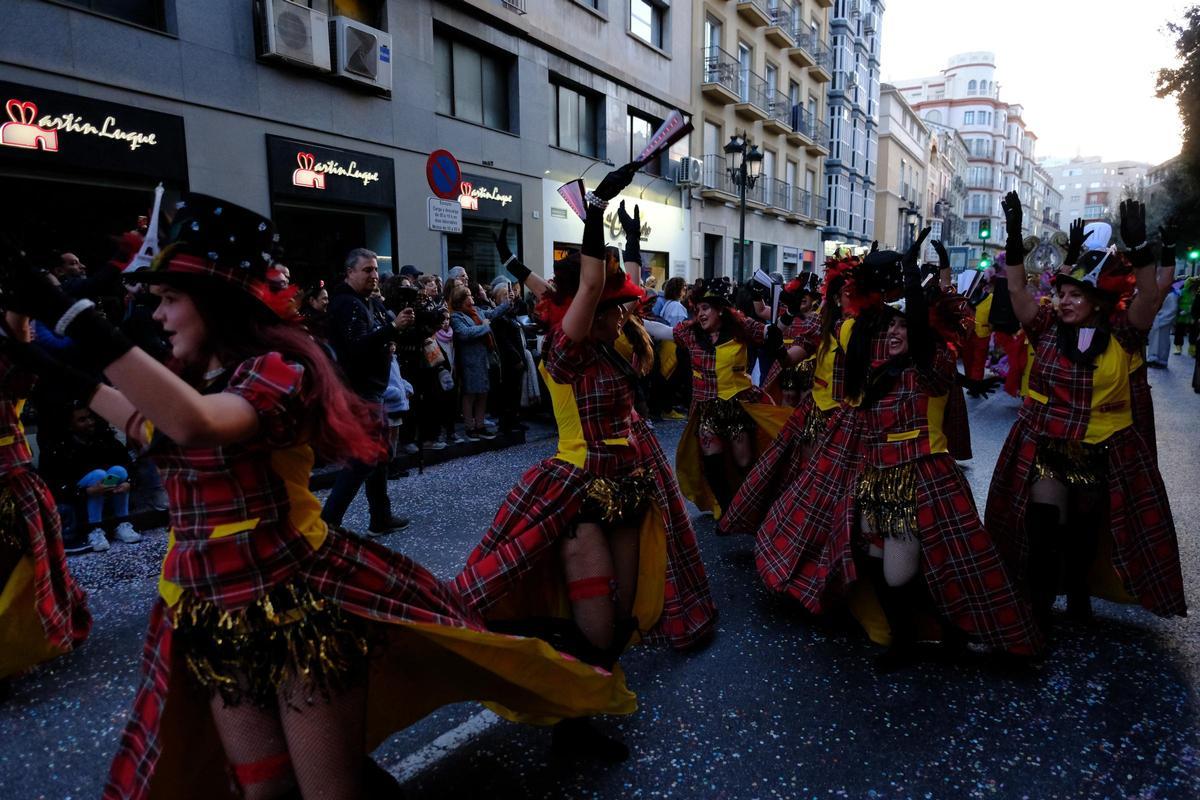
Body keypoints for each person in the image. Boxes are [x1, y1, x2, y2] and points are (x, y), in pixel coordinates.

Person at [4, 195, 637, 799]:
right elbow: (150, 422)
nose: (159, 315)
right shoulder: (185, 383)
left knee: (331, 790)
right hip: (211, 614)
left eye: (170, 300)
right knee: (266, 789)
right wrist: (45, 361)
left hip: (294, 603)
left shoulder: (279, 369)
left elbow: (194, 423)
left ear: (216, 303)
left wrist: (73, 319)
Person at [455, 177, 717, 759]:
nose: (625, 312)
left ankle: (575, 706)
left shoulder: (608, 340)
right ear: (585, 308)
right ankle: (566, 718)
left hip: (627, 487)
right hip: (576, 492)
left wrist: (521, 259)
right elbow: (589, 280)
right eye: (612, 308)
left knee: (619, 620)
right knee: (595, 623)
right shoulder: (564, 349)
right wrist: (594, 209)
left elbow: (581, 284)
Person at [985, 194, 1185, 630]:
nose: (1064, 301)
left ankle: (1077, 598)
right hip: (1047, 447)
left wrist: (1141, 250)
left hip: (1103, 451)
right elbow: (1017, 289)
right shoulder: (1044, 328)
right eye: (1061, 293)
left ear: (1096, 301)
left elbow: (1150, 296)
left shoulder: (1125, 335)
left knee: (1082, 535)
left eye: (1076, 294)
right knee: (1042, 530)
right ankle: (1036, 615)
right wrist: (1015, 236)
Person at [0, 275, 92, 685]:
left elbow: (21, 352)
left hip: (9, 475)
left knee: (24, 561)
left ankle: (24, 640)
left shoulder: (11, 347)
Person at [673, 277, 788, 520]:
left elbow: (768, 331)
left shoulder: (740, 327)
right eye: (698, 309)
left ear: (720, 310)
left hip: (737, 407)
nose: (700, 314)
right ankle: (727, 511)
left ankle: (750, 505)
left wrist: (779, 324)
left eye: (706, 309)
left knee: (744, 459)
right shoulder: (690, 334)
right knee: (711, 459)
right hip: (707, 410)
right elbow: (663, 332)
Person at [322, 248, 411, 535]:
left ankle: (380, 517)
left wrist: (390, 335)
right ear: (350, 273)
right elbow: (357, 346)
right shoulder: (347, 304)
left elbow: (371, 339)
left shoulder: (365, 302)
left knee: (379, 455)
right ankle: (328, 522)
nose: (374, 275)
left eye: (375, 270)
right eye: (367, 270)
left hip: (371, 389)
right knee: (364, 458)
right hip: (358, 391)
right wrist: (391, 330)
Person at [40, 403, 141, 552]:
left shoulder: (104, 439)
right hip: (79, 495)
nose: (90, 422)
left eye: (90, 418)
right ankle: (94, 529)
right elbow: (54, 484)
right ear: (70, 425)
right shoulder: (59, 448)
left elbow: (128, 465)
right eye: (82, 420)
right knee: (97, 475)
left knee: (119, 471)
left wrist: (128, 483)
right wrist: (87, 491)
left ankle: (122, 523)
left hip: (106, 489)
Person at [449, 283, 506, 440]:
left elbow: (493, 313)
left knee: (483, 393)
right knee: (470, 394)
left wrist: (508, 303)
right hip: (469, 361)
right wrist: (485, 328)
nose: (471, 297)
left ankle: (480, 425)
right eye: (468, 295)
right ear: (460, 299)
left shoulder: (477, 311)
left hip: (483, 359)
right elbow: (465, 333)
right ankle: (469, 426)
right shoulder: (456, 317)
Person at [488, 277, 528, 434]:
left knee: (515, 390)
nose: (508, 297)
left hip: (516, 355)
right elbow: (504, 341)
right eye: (505, 295)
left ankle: (515, 419)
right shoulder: (499, 317)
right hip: (508, 359)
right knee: (508, 391)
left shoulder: (510, 313)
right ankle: (507, 422)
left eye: (509, 294)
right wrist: (516, 358)